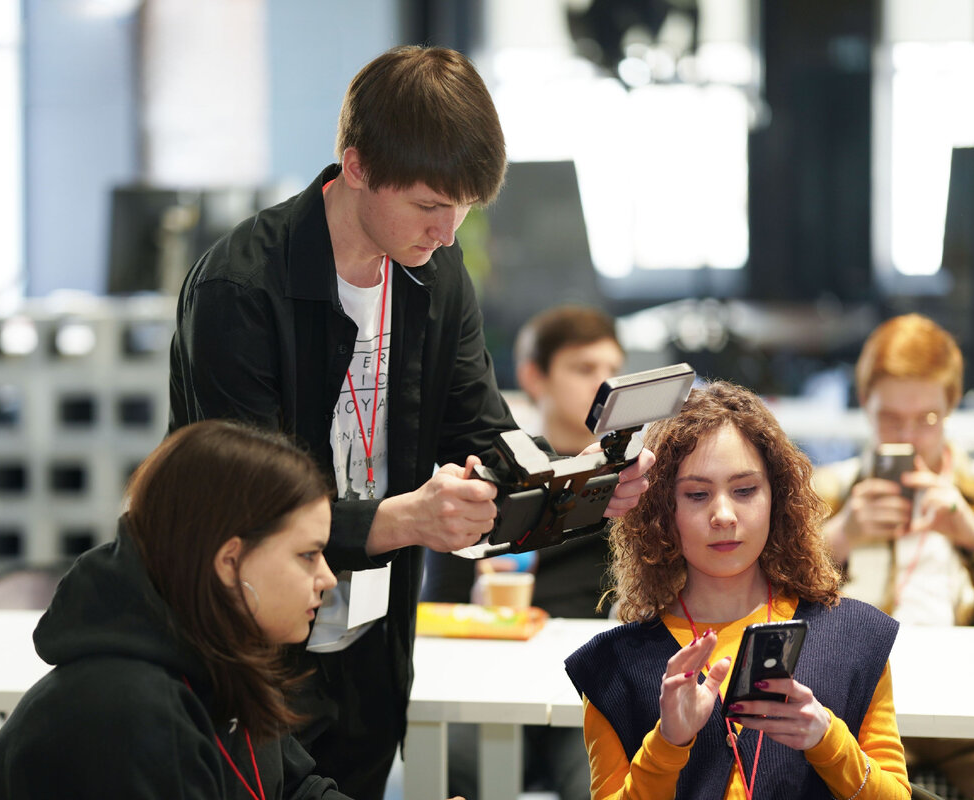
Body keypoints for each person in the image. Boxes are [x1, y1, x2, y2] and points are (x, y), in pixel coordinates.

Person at [167, 46, 654, 798]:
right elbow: (246, 505)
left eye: (463, 208)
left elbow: (480, 428)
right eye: (430, 205)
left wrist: (580, 485)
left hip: (373, 639)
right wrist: (402, 520)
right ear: (356, 166)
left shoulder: (434, 271)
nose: (448, 231)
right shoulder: (241, 288)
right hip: (245, 641)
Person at [0, 419, 352, 798]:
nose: (328, 578)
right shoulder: (134, 714)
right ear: (229, 562)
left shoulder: (222, 654)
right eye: (308, 555)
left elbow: (296, 789)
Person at [566, 381, 911, 800]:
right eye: (697, 494)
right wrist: (667, 744)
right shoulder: (613, 667)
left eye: (745, 490)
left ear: (777, 497)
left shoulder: (854, 637)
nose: (724, 515)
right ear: (661, 510)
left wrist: (827, 739)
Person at [812, 313, 974, 799]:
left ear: (950, 409)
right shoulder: (825, 495)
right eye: (889, 418)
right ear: (864, 405)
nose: (907, 437)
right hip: (850, 703)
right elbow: (756, 604)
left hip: (971, 703)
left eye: (925, 420)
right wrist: (837, 539)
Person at [422, 304, 624, 800]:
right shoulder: (493, 478)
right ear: (534, 376)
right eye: (584, 369)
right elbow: (440, 606)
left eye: (613, 372)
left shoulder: (632, 485)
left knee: (599, 783)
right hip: (491, 670)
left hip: (583, 681)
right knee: (453, 765)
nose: (604, 386)